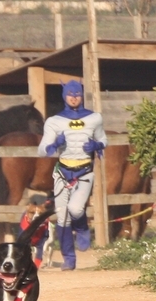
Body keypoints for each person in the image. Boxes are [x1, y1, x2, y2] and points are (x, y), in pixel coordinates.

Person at [36, 79, 106, 271]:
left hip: (84, 172)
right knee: (62, 216)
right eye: (70, 94)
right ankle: (69, 258)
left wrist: (96, 145)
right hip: (62, 172)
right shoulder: (54, 121)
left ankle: (82, 228)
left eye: (77, 94)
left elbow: (103, 139)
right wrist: (55, 144)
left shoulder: (95, 118)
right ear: (64, 96)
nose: (74, 98)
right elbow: (42, 150)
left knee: (75, 209)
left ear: (82, 96)